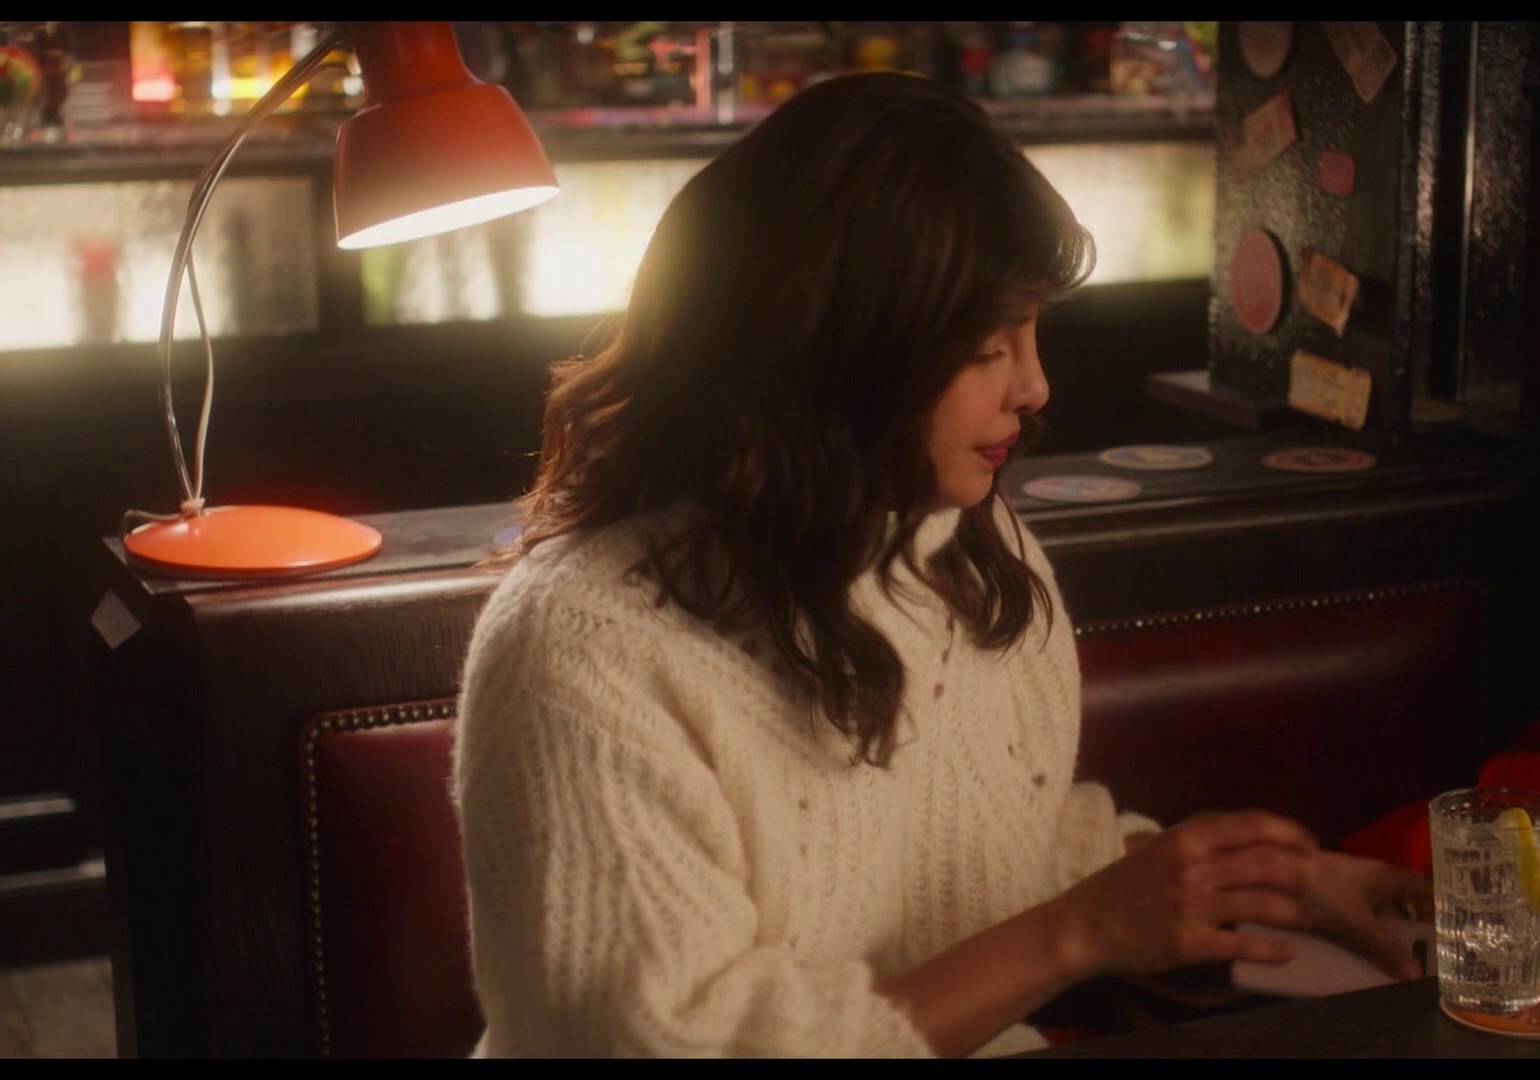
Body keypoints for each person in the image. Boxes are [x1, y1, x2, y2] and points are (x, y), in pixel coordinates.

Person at [453, 71, 1427, 1059]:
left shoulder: (966, 548)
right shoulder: (584, 649)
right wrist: (1073, 936)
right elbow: (672, 1043)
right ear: (831, 344)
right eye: (985, 346)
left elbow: (996, 843)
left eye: (1034, 330)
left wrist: (1279, 886)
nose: (1035, 387)